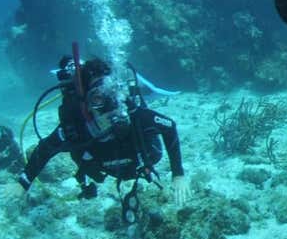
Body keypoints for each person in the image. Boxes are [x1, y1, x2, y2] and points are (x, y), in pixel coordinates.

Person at [15, 54, 190, 210]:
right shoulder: (76, 128)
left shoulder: (136, 115)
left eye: (113, 94)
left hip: (140, 162)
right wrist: (24, 182)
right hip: (102, 166)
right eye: (98, 98)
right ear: (87, 103)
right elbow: (46, 148)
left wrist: (178, 174)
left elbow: (169, 126)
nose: (110, 105)